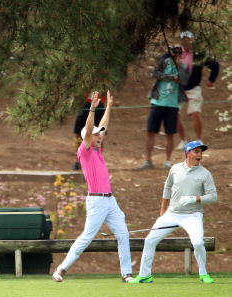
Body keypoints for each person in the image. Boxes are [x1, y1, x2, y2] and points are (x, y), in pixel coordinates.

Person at [53, 91, 133, 283]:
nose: (100, 136)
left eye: (100, 134)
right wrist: (92, 109)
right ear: (88, 138)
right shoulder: (86, 150)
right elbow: (89, 131)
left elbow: (102, 127)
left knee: (123, 234)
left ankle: (127, 274)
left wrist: (108, 108)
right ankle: (61, 269)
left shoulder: (97, 149)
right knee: (87, 237)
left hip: (110, 200)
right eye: (96, 134)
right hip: (96, 201)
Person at [130, 141, 218, 284]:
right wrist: (163, 209)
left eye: (201, 152)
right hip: (172, 214)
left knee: (197, 242)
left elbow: (213, 197)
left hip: (193, 215)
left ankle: (203, 273)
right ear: (188, 153)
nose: (199, 155)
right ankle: (145, 275)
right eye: (196, 152)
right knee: (150, 240)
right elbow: (167, 187)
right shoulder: (175, 168)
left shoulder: (205, 174)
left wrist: (194, 199)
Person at [139, 45, 190, 170]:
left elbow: (184, 82)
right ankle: (148, 159)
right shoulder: (163, 62)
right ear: (171, 53)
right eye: (175, 52)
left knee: (170, 133)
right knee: (150, 131)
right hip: (157, 102)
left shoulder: (183, 67)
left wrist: (178, 68)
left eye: (180, 53)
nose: (177, 55)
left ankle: (167, 160)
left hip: (172, 105)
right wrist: (170, 77)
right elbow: (154, 73)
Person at [175, 31, 220, 150]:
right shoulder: (176, 52)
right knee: (175, 114)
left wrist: (211, 79)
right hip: (179, 89)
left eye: (188, 39)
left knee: (195, 113)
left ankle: (198, 140)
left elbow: (214, 65)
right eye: (183, 39)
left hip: (194, 87)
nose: (185, 42)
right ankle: (183, 140)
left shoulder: (199, 53)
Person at [71, 93, 106, 170]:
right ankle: (78, 162)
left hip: (98, 103)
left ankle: (97, 160)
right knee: (79, 133)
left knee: (98, 134)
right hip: (83, 103)